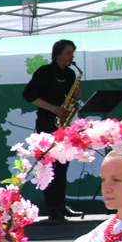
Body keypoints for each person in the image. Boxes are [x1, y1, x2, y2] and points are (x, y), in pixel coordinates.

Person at [23, 39, 82, 221]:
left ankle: (61, 205)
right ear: (58, 54)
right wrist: (53, 108)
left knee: (63, 165)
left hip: (63, 125)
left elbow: (69, 98)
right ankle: (51, 208)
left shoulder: (71, 74)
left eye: (72, 53)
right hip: (47, 123)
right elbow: (28, 95)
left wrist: (74, 99)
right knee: (49, 166)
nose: (71, 57)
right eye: (68, 53)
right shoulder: (44, 72)